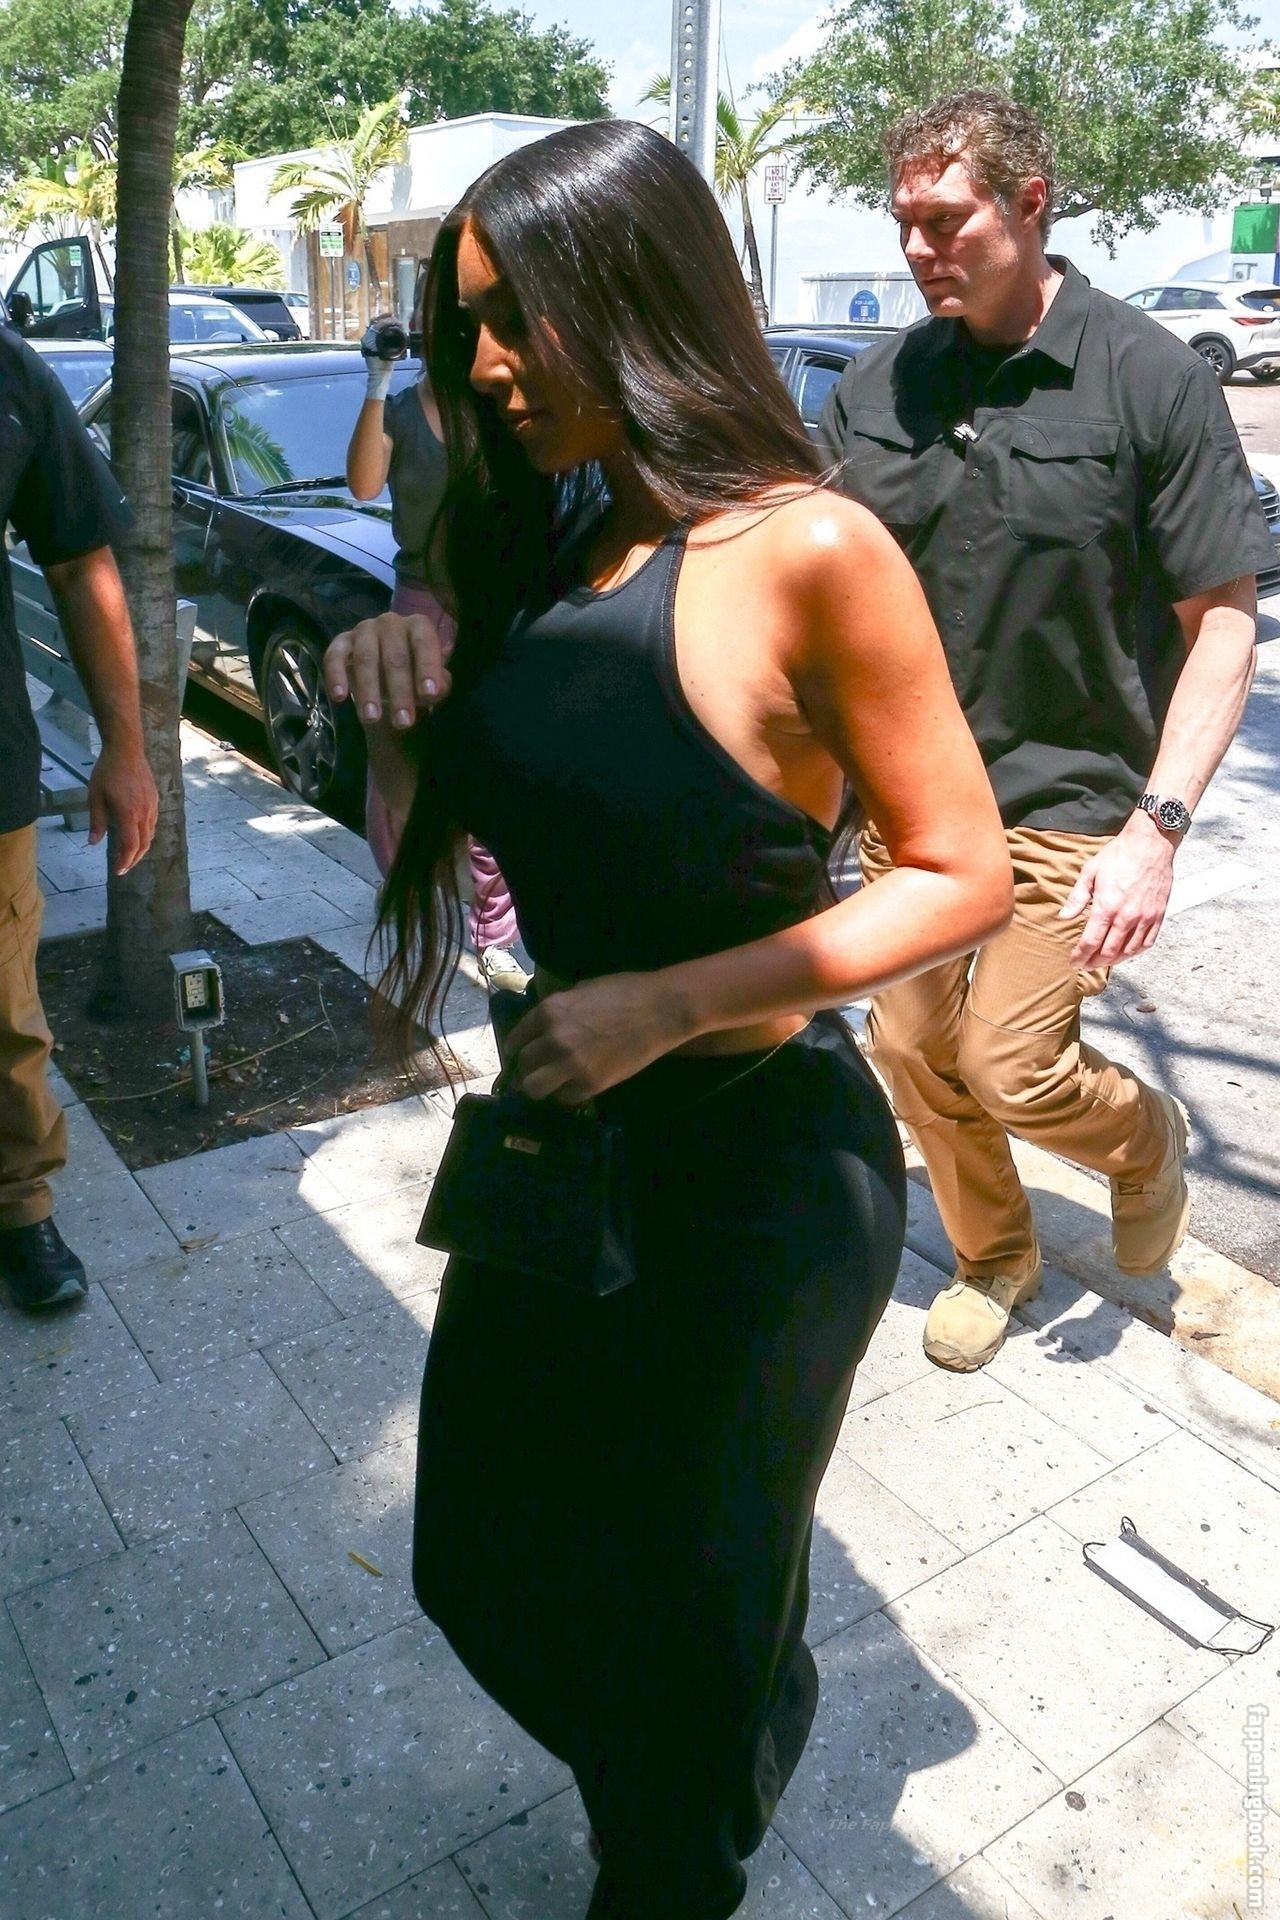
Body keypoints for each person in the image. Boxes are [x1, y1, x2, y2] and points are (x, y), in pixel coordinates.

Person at [325, 120, 1011, 1920]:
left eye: (515, 318)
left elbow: (963, 871)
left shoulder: (809, 545)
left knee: (679, 1634)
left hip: (762, 1179)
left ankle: (673, 1849)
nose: (484, 364)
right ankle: (719, 1740)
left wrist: (671, 1004)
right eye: (466, 322)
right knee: (477, 1559)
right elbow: (436, 834)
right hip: (564, 1151)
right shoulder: (548, 533)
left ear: (633, 296)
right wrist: (397, 691)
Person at [820, 89, 1272, 1374]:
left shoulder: (1149, 379)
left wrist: (1154, 834)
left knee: (1010, 1064)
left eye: (943, 220)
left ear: (1030, 204)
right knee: (911, 1049)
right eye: (903, 222)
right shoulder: (878, 383)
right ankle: (994, 1254)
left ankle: (1143, 1139)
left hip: (1073, 804)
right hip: (911, 805)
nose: (917, 248)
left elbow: (1221, 626)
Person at [0, 321, 157, 1311]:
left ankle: (20, 1204)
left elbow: (78, 559)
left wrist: (125, 749)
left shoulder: (8, 373)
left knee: (4, 1013)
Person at [345, 312, 527, 994]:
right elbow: (363, 484)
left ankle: (494, 936)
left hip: (489, 612)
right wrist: (377, 376)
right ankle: (408, 888)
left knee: (489, 770)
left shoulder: (495, 410)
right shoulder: (397, 409)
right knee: (399, 760)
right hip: (416, 608)